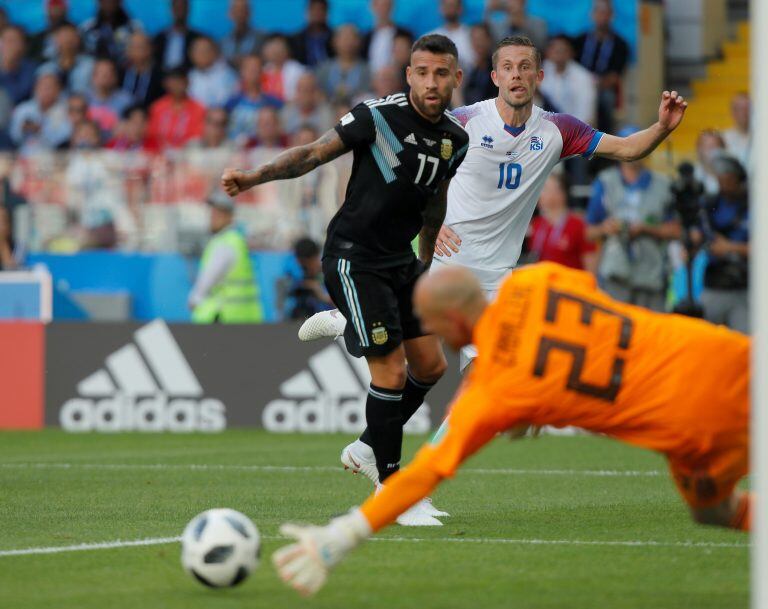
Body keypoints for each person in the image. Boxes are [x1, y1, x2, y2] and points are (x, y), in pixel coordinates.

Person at [299, 36, 687, 481]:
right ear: (495, 75)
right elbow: (412, 168)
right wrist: (431, 219)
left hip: (502, 277)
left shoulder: (559, 130)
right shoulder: (462, 121)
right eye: (508, 67)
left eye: (526, 67)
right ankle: (413, 469)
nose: (517, 75)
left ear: (539, 76)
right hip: (453, 268)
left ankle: (370, 426)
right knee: (449, 373)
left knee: (473, 379)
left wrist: (661, 128)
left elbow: (627, 149)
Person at [273, 262, 751, 596]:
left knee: (716, 512)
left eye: (434, 324)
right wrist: (552, 393)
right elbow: (588, 303)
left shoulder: (495, 389)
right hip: (721, 354)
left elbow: (427, 471)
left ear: (454, 320)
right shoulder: (536, 278)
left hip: (696, 429)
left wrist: (347, 533)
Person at [221, 34, 469, 525]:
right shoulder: (375, 117)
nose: (432, 82)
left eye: (442, 73)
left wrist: (425, 261)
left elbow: (433, 202)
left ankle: (366, 444)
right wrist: (253, 177)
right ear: (409, 75)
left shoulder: (454, 140)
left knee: (432, 366)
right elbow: (313, 154)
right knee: (392, 373)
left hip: (401, 262)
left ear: (456, 78)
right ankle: (392, 494)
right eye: (422, 72)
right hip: (354, 260)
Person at [585, 126, 681, 311]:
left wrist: (647, 229)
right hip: (615, 275)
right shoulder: (605, 182)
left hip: (652, 275)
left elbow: (677, 230)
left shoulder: (663, 185)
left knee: (650, 335)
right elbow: (589, 232)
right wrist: (606, 228)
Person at [189, 191, 263, 324]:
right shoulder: (236, 240)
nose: (212, 217)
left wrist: (194, 299)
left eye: (217, 213)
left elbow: (208, 279)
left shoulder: (224, 243)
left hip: (224, 319)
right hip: (246, 319)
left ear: (229, 216)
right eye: (212, 212)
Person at [698, 155, 749, 334]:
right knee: (708, 343)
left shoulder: (752, 203)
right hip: (714, 283)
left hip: (744, 287)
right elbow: (698, 235)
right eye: (720, 176)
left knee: (746, 344)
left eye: (728, 175)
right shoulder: (709, 203)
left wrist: (729, 247)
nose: (724, 180)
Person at [573, 0, 630, 134]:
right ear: (592, 15)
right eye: (598, 12)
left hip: (601, 87)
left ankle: (603, 140)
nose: (602, 17)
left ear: (612, 16)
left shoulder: (620, 45)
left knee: (606, 98)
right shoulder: (579, 40)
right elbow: (572, 67)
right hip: (576, 84)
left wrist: (593, 86)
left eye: (605, 13)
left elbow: (615, 76)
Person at [527, 173, 596, 272]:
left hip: (570, 285)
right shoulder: (537, 224)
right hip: (542, 284)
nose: (539, 192)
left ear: (560, 193)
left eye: (545, 188)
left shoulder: (578, 225)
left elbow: (591, 269)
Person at [540, 35, 596, 125]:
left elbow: (585, 113)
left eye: (562, 50)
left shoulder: (583, 77)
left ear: (571, 53)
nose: (558, 53)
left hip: (573, 129)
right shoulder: (541, 70)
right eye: (555, 50)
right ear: (548, 52)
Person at [10, 72, 71, 153]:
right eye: (42, 86)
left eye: (50, 87)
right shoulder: (23, 109)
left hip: (54, 159)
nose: (45, 90)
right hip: (25, 158)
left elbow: (64, 138)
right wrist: (22, 129)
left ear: (58, 90)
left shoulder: (65, 110)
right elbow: (14, 137)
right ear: (35, 88)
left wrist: (41, 130)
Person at [147, 67, 205, 149]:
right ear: (166, 84)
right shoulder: (157, 107)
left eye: (180, 81)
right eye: (173, 82)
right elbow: (151, 134)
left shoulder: (198, 108)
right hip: (158, 154)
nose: (176, 85)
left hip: (187, 154)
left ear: (188, 82)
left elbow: (197, 137)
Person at [315, 25, 370, 103]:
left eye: (352, 38)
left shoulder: (367, 70)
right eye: (344, 39)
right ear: (334, 42)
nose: (348, 43)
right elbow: (319, 93)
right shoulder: (323, 69)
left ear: (359, 42)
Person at [283, 236, 334, 320]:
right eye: (302, 266)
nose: (305, 269)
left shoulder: (331, 274)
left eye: (306, 265)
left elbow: (342, 304)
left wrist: (319, 293)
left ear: (316, 257)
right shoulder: (298, 278)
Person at [37, 23, 94, 95]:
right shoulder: (45, 69)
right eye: (63, 36)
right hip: (55, 105)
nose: (67, 40)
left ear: (78, 39)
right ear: (55, 40)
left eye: (71, 36)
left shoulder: (91, 65)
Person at [362, 0, 413, 74]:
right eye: (379, 5)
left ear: (392, 7)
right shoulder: (366, 37)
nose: (383, 9)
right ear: (372, 7)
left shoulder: (404, 35)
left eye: (386, 5)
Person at [187, 36, 239, 108]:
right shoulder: (189, 76)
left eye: (205, 51)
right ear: (191, 54)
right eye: (198, 51)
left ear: (215, 52)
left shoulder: (227, 74)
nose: (201, 54)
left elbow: (231, 99)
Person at [86, 57, 133, 136]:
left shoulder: (127, 101)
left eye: (108, 73)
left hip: (117, 145)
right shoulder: (83, 99)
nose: (104, 76)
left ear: (115, 77)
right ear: (92, 77)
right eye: (100, 73)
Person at [281, 72, 334, 136]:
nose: (303, 95)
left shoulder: (326, 114)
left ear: (315, 93)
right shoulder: (287, 111)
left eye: (306, 90)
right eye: (300, 90)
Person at [153, 0, 202, 71]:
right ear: (171, 10)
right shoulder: (159, 38)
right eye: (177, 8)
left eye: (182, 8)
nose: (180, 12)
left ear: (188, 10)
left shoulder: (198, 39)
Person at [121, 32, 164, 109]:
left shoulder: (160, 76)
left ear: (150, 49)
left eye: (139, 47)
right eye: (131, 46)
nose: (133, 50)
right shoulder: (120, 72)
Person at [261, 35, 308, 103]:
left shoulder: (297, 69)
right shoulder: (264, 70)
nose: (275, 52)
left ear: (287, 51)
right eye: (272, 49)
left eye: (279, 49)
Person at [430, 0, 475, 70]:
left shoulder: (471, 34)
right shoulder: (431, 37)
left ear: (460, 9)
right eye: (447, 6)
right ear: (441, 8)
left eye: (453, 6)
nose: (450, 9)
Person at [289, 0, 334, 68]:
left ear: (327, 13)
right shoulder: (295, 40)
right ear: (306, 12)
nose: (316, 13)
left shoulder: (335, 37)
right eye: (313, 9)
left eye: (320, 9)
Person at [221, 0, 266, 66]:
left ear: (249, 12)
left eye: (243, 10)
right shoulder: (224, 41)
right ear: (229, 13)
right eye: (236, 10)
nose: (239, 14)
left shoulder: (261, 37)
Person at [0, 25, 37, 106]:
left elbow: (17, 97)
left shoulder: (31, 69)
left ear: (23, 45)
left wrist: (9, 66)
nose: (8, 45)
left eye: (12, 41)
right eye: (4, 40)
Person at [463, 24, 498, 106]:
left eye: (481, 39)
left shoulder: (498, 66)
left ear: (490, 40)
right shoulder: (472, 70)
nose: (478, 43)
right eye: (474, 39)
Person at [722, 92, 750, 172]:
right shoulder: (723, 138)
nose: (744, 113)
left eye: (747, 108)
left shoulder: (762, 138)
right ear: (732, 111)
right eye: (739, 109)